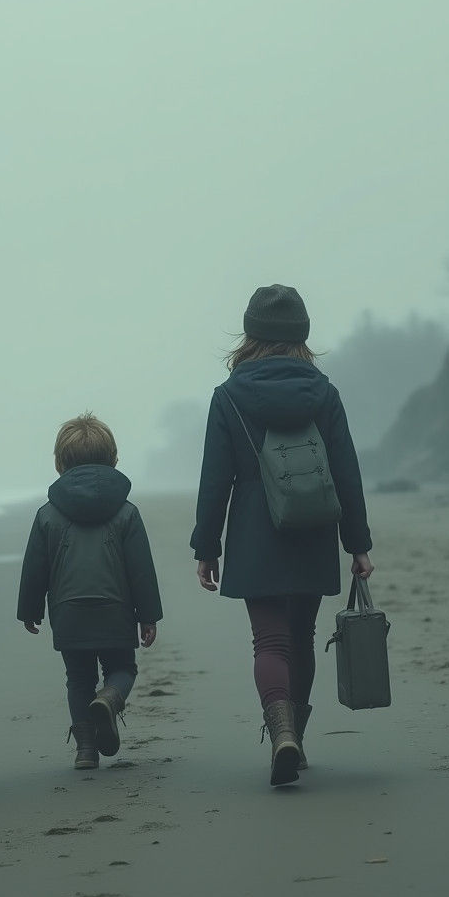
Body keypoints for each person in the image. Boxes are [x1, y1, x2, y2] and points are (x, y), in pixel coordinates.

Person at [191, 285, 374, 787]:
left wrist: (207, 547)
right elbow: (346, 471)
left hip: (255, 529)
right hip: (314, 527)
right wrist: (357, 543)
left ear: (249, 335)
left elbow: (215, 479)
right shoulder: (324, 392)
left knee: (269, 639)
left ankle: (282, 735)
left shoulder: (228, 397)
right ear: (302, 336)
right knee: (302, 637)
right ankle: (299, 735)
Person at [17, 413, 163, 769]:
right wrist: (148, 616)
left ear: (59, 462)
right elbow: (140, 569)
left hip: (69, 611)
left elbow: (35, 567)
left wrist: (30, 610)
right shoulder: (127, 512)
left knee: (78, 677)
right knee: (122, 668)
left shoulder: (47, 515)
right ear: (113, 458)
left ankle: (85, 750)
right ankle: (111, 699)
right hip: (116, 608)